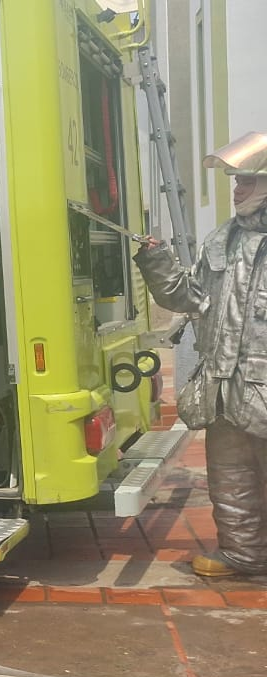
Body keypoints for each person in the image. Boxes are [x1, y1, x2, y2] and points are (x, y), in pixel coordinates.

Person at [135, 131, 267, 578]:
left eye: (246, 181)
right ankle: (244, 556)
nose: (237, 190)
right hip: (224, 390)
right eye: (235, 181)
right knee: (231, 482)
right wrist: (157, 260)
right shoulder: (222, 240)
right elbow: (187, 295)